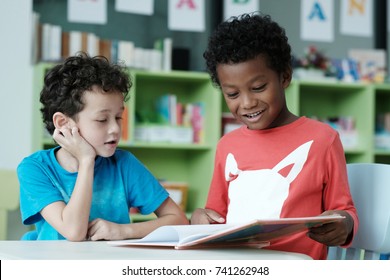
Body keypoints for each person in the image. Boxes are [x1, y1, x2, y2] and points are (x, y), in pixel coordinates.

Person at [190, 13, 358, 260]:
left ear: (285, 77)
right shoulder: (227, 146)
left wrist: (345, 224)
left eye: (258, 88)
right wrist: (199, 218)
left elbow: (345, 211)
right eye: (233, 94)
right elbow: (215, 215)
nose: (247, 103)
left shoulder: (323, 140)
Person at [18, 52, 188, 241]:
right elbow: (74, 232)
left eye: (118, 117)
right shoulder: (35, 168)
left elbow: (179, 220)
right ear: (63, 123)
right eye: (102, 120)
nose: (115, 129)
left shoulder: (124, 164)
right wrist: (86, 160)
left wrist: (123, 231)